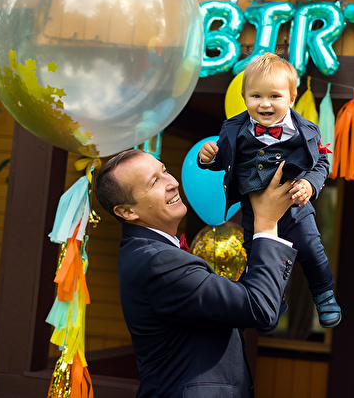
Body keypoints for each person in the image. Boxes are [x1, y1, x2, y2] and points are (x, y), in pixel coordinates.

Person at [94, 149, 297, 398]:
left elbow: (246, 311)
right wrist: (266, 224)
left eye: (164, 171)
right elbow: (258, 308)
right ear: (127, 212)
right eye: (154, 182)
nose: (172, 182)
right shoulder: (159, 261)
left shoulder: (150, 252)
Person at [197, 52, 341, 330]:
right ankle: (274, 299)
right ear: (244, 97)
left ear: (291, 98)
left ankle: (324, 294)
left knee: (312, 250)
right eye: (256, 96)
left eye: (275, 96)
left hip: (296, 207)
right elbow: (224, 160)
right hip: (254, 210)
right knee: (256, 255)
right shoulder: (233, 129)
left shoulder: (306, 131)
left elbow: (322, 162)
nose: (265, 103)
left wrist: (309, 184)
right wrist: (208, 158)